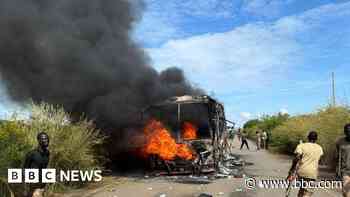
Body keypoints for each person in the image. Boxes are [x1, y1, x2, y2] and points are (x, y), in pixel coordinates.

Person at [287, 131, 323, 197]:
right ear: (316, 139)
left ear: (308, 137)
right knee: (308, 192)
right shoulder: (319, 148)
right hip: (312, 173)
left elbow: (296, 158)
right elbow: (319, 160)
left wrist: (291, 170)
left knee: (302, 189)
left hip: (301, 172)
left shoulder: (301, 146)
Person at [24, 132, 50, 197]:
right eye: (43, 139)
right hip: (33, 185)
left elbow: (44, 168)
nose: (46, 140)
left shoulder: (47, 153)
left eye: (47, 138)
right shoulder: (32, 154)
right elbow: (25, 168)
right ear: (38, 140)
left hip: (43, 185)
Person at [336, 123, 350, 197]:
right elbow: (338, 156)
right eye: (347, 131)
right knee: (346, 193)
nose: (349, 133)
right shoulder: (340, 142)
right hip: (345, 171)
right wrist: (337, 170)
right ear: (345, 132)